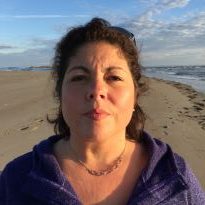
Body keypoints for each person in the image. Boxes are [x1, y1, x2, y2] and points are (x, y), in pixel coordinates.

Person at [0, 17, 204, 205]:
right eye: (79, 77)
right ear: (59, 94)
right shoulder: (15, 179)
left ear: (135, 96)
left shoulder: (176, 179)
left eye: (114, 77)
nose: (96, 91)